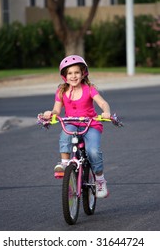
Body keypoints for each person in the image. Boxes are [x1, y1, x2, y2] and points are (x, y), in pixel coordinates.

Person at [43, 55, 111, 198]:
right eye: (69, 73)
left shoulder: (89, 89)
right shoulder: (61, 91)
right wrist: (51, 113)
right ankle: (64, 163)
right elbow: (57, 109)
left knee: (93, 151)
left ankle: (99, 180)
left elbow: (103, 103)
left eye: (76, 72)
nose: (73, 76)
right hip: (71, 123)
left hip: (90, 124)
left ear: (83, 73)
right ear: (64, 76)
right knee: (65, 135)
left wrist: (106, 112)